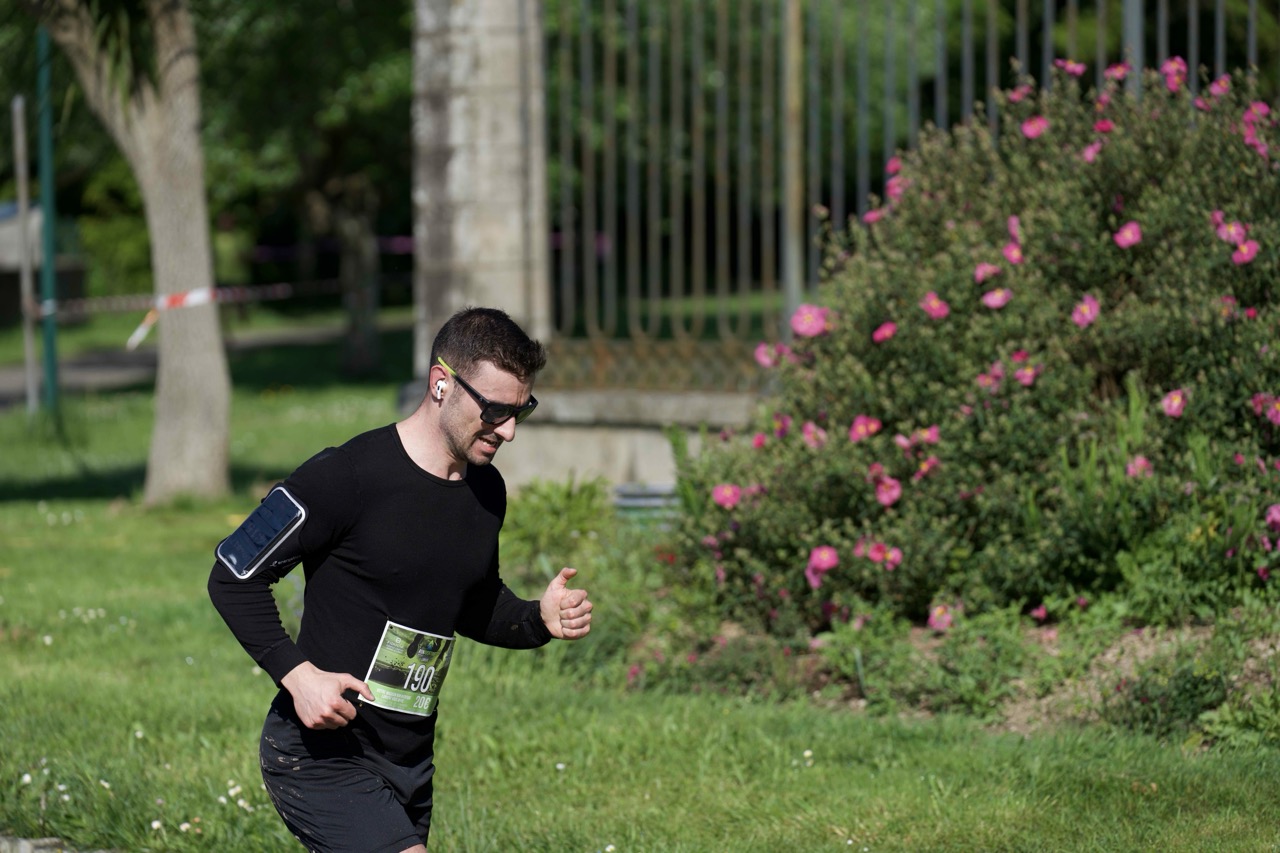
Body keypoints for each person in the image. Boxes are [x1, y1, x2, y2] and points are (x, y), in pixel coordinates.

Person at [208, 306, 593, 853]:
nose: (508, 431)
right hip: (322, 753)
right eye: (494, 410)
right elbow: (232, 575)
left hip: (410, 761)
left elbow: (473, 603)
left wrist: (537, 619)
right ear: (441, 384)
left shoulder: (486, 492)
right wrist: (298, 676)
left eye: (520, 411)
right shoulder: (344, 475)